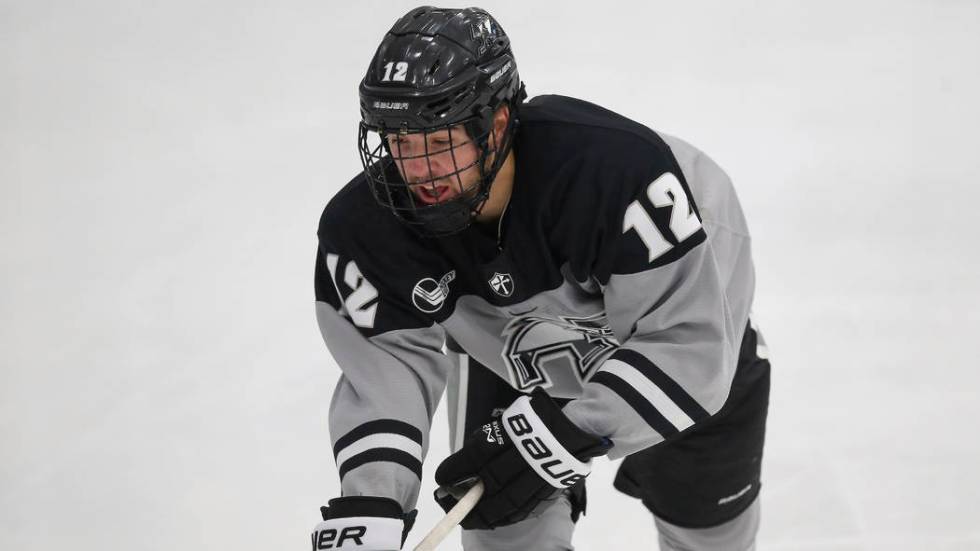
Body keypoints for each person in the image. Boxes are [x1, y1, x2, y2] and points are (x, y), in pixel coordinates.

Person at [310, 6, 771, 551]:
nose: (418, 170)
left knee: (707, 532)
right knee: (504, 535)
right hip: (508, 349)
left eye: (438, 142)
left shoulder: (616, 178)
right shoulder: (366, 229)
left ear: (497, 125)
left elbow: (688, 348)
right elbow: (386, 376)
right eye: (401, 143)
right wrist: (372, 505)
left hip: (679, 319)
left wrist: (558, 439)